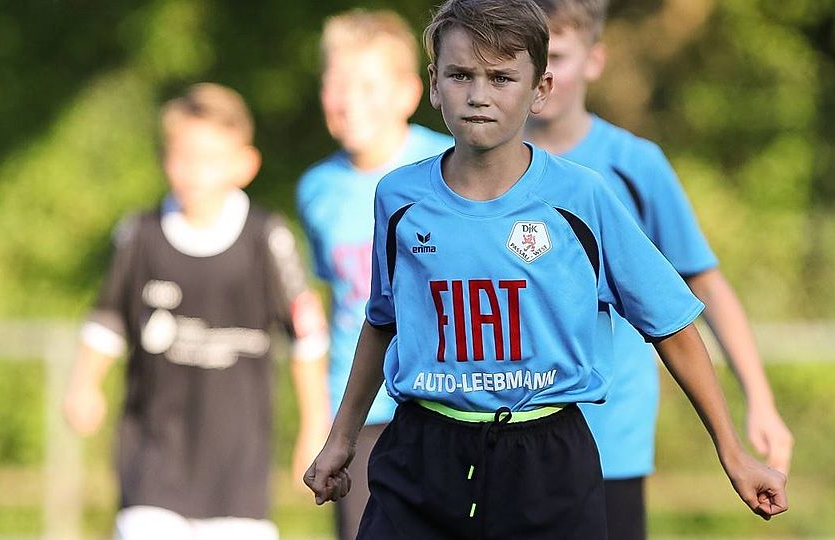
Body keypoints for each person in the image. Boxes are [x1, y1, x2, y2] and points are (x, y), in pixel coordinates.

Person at [304, 1, 788, 539]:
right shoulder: (399, 197)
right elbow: (382, 320)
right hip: (420, 452)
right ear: (434, 84)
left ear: (540, 88)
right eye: (460, 75)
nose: (479, 94)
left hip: (546, 458)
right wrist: (341, 438)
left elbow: (671, 324)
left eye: (501, 78)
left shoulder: (582, 197)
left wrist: (732, 451)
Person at [524, 1, 795, 537]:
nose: (544, 73)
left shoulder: (634, 164)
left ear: (595, 60)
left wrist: (760, 401)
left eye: (557, 56)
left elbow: (701, 282)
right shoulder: (480, 166)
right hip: (502, 434)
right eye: (531, 57)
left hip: (609, 438)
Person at [62, 83, 330, 540]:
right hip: (152, 465)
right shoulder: (140, 235)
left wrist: (315, 429)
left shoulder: (266, 239)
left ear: (244, 164)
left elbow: (307, 337)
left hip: (238, 476)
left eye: (210, 159)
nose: (194, 172)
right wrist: (84, 385)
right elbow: (108, 321)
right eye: (183, 156)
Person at [295, 9, 452, 539]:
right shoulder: (316, 189)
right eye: (336, 85)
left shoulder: (452, 165)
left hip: (446, 401)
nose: (348, 101)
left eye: (366, 86)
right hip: (361, 413)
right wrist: (320, 420)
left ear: (409, 92)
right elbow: (333, 303)